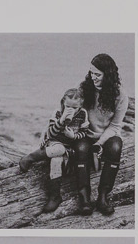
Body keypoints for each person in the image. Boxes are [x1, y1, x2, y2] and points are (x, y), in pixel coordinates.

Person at [16, 85, 95, 214]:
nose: (71, 110)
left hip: (68, 148)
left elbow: (84, 133)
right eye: (68, 107)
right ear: (63, 102)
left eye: (75, 108)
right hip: (54, 143)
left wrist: (74, 136)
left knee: (56, 160)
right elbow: (51, 133)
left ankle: (55, 196)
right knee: (58, 149)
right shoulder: (57, 113)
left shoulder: (82, 114)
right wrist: (62, 119)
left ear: (80, 106)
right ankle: (31, 158)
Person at [74, 53, 129, 216]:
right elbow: (72, 112)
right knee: (81, 148)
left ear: (108, 75)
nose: (93, 77)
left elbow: (115, 125)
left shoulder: (120, 95)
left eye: (97, 74)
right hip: (85, 134)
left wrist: (99, 144)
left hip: (107, 135)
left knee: (115, 147)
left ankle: (103, 197)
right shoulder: (84, 88)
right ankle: (84, 197)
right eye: (91, 73)